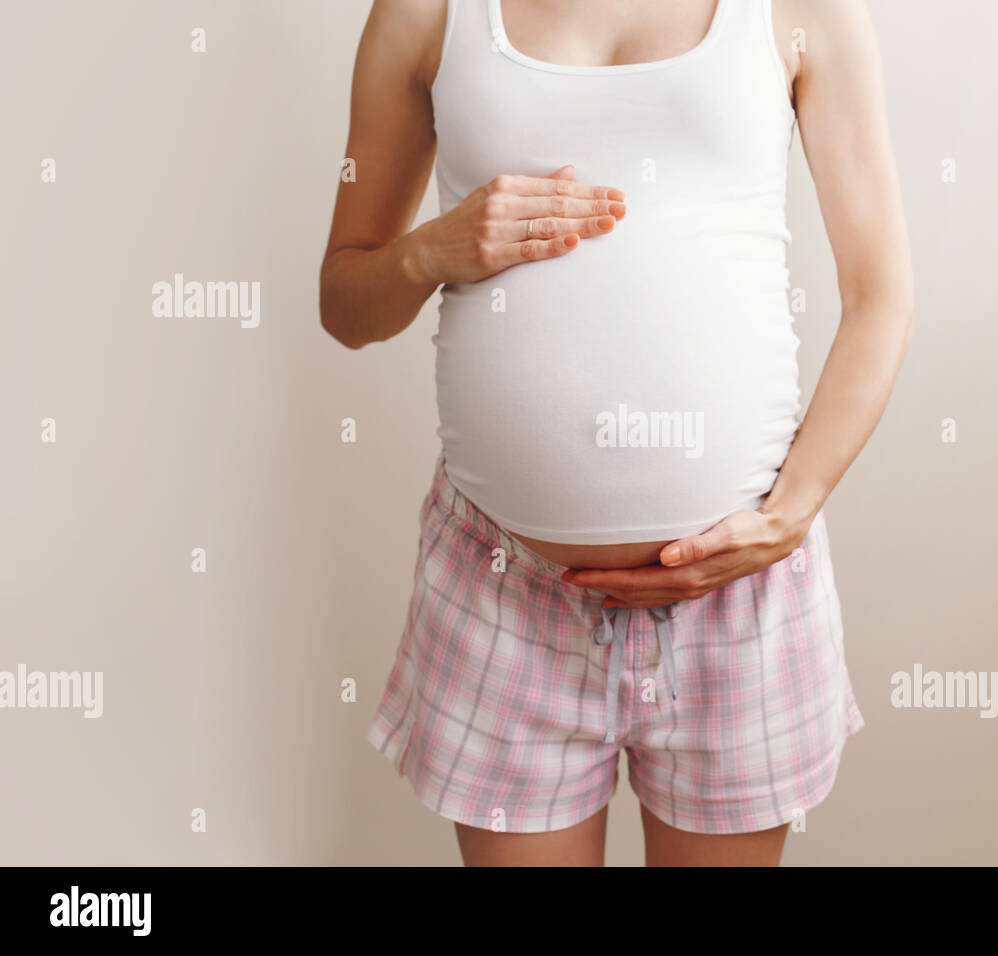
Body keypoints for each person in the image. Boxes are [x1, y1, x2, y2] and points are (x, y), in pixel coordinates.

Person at [320, 0, 913, 866]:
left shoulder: (801, 9)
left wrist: (791, 513)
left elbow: (881, 297)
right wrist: (431, 251)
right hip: (503, 589)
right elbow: (345, 304)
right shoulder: (425, 12)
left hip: (740, 593)